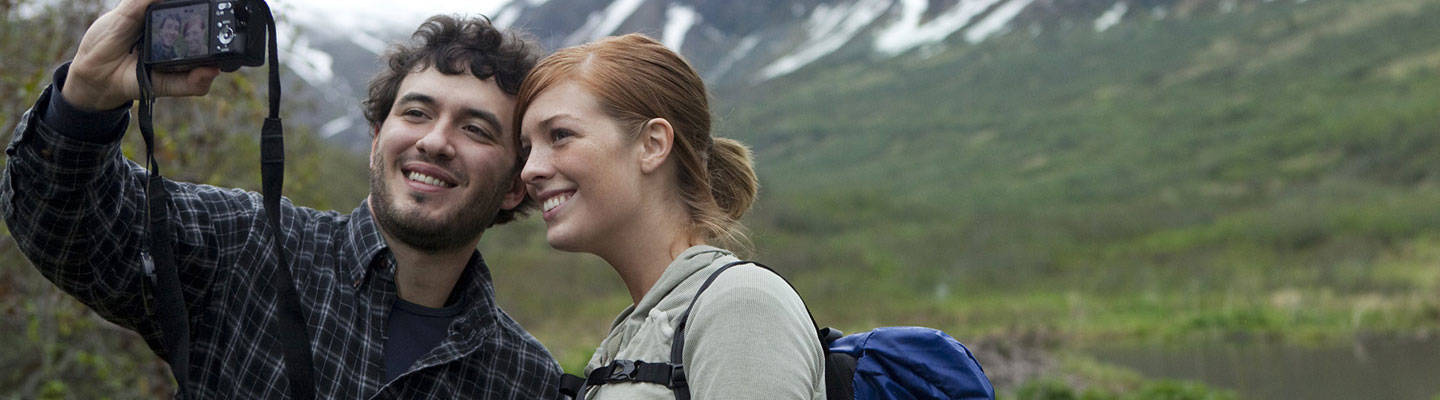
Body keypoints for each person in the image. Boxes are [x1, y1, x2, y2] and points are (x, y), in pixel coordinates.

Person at [1, 0, 560, 397]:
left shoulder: (524, 377)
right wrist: (85, 100)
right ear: (375, 142)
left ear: (518, 180)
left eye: (477, 130)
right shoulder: (247, 245)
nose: (434, 141)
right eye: (415, 112)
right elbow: (64, 225)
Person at [515, 33, 826, 399]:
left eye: (560, 135)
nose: (530, 170)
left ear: (653, 144)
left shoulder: (741, 305)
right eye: (527, 148)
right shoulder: (636, 331)